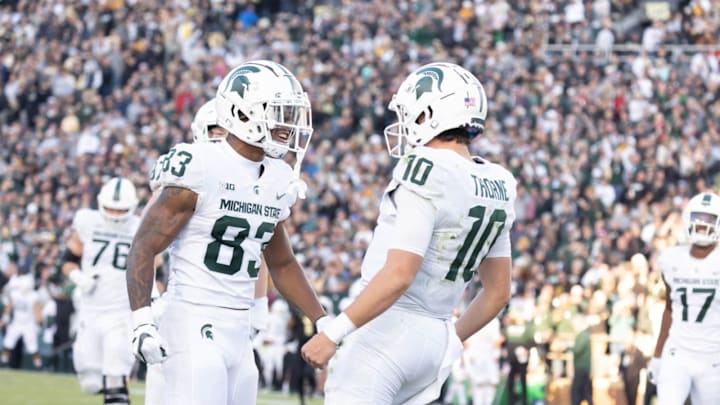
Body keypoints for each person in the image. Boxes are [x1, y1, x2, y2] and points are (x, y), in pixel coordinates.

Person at [301, 62, 516, 404]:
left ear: (431, 114)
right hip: (436, 338)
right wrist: (450, 340)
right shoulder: (499, 181)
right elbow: (498, 292)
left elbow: (400, 273)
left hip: (387, 331)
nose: (404, 124)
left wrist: (335, 333)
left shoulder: (425, 167)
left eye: (410, 114)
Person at [126, 60, 327, 405]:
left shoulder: (278, 177)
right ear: (243, 113)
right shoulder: (200, 164)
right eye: (279, 112)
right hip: (192, 319)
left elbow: (282, 264)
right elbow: (143, 246)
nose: (288, 124)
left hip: (239, 327)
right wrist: (142, 320)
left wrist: (323, 321)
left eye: (290, 113)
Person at [142, 97, 232, 405]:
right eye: (216, 131)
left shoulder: (248, 183)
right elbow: (146, 244)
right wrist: (152, 298)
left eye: (228, 132)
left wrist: (258, 306)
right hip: (184, 303)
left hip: (230, 310)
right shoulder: (187, 178)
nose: (222, 139)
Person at [61, 177, 140, 404]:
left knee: (115, 374)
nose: (115, 214)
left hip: (122, 309)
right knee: (90, 383)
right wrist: (77, 276)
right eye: (111, 209)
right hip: (90, 309)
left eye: (121, 210)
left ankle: (118, 392)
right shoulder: (87, 222)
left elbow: (155, 268)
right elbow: (68, 260)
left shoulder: (140, 226)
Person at [648, 192, 720, 404]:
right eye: (698, 218)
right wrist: (657, 356)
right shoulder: (671, 259)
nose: (702, 225)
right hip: (677, 352)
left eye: (709, 219)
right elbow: (670, 309)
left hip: (713, 355)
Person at [0, 269, 43, 369]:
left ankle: (38, 365)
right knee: (8, 342)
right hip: (17, 322)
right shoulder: (16, 294)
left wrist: (38, 323)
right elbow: (10, 306)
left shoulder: (33, 296)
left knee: (32, 346)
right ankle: (3, 361)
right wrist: (5, 318)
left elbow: (37, 309)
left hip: (29, 324)